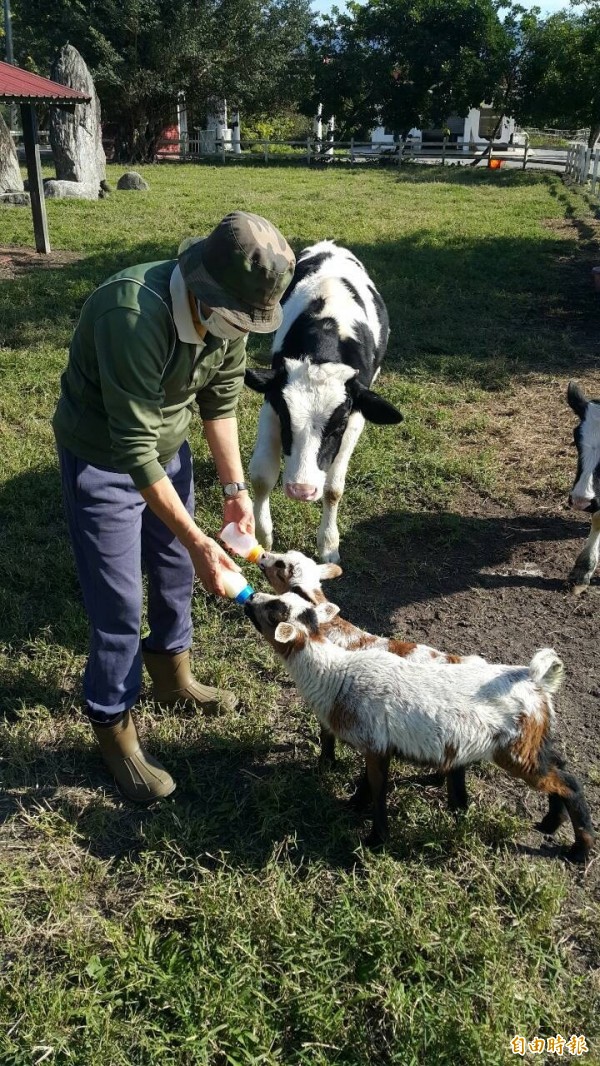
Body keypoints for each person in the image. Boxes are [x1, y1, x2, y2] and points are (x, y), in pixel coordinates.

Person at [52, 211, 295, 803]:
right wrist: (198, 538)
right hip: (104, 460)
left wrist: (235, 496)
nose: (238, 331)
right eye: (234, 319)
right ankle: (114, 725)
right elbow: (132, 448)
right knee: (118, 603)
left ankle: (172, 675)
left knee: (175, 574)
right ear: (204, 288)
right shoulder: (130, 315)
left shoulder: (231, 314)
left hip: (168, 449)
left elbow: (219, 404)